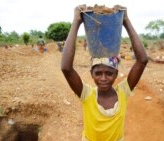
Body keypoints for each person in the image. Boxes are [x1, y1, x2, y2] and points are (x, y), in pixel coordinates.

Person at [61, 5, 148, 141]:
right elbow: (66, 68)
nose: (103, 78)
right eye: (98, 73)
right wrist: (76, 21)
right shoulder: (86, 94)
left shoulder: (123, 92)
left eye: (109, 73)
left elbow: (142, 60)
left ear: (116, 74)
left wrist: (125, 21)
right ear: (91, 74)